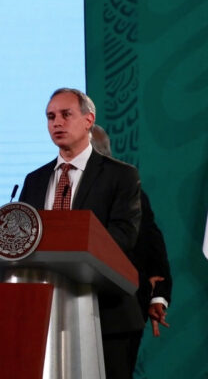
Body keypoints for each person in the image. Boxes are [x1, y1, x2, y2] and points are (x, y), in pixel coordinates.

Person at [19, 88, 144, 379]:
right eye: (50, 117)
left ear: (89, 120)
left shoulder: (121, 176)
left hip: (107, 315)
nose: (56, 123)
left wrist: (73, 248)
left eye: (66, 115)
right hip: (46, 315)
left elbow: (125, 235)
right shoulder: (35, 180)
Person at [90, 125, 172, 371]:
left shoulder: (128, 190)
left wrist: (157, 295)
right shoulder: (54, 186)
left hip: (119, 312)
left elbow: (152, 247)